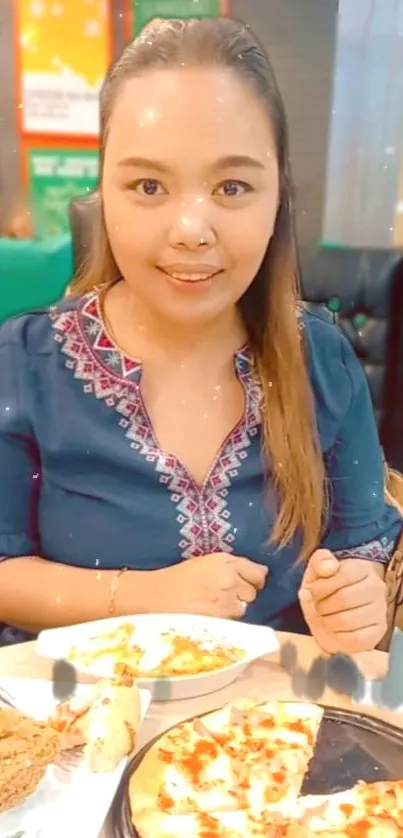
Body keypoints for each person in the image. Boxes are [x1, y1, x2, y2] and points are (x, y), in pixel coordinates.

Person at [0, 17, 401, 653]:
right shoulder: (23, 365)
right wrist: (147, 597)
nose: (191, 228)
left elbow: (362, 549)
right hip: (80, 724)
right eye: (149, 185)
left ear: (278, 198)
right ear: (103, 191)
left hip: (272, 732)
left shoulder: (322, 360)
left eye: (232, 186)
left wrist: (355, 600)